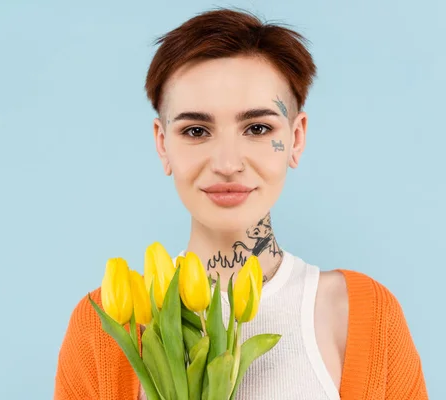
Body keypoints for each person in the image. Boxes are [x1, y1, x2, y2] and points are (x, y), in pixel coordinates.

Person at [54, 8, 427, 400]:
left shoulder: (360, 314)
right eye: (196, 131)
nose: (227, 164)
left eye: (258, 128)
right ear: (163, 144)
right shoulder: (110, 322)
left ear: (296, 139)